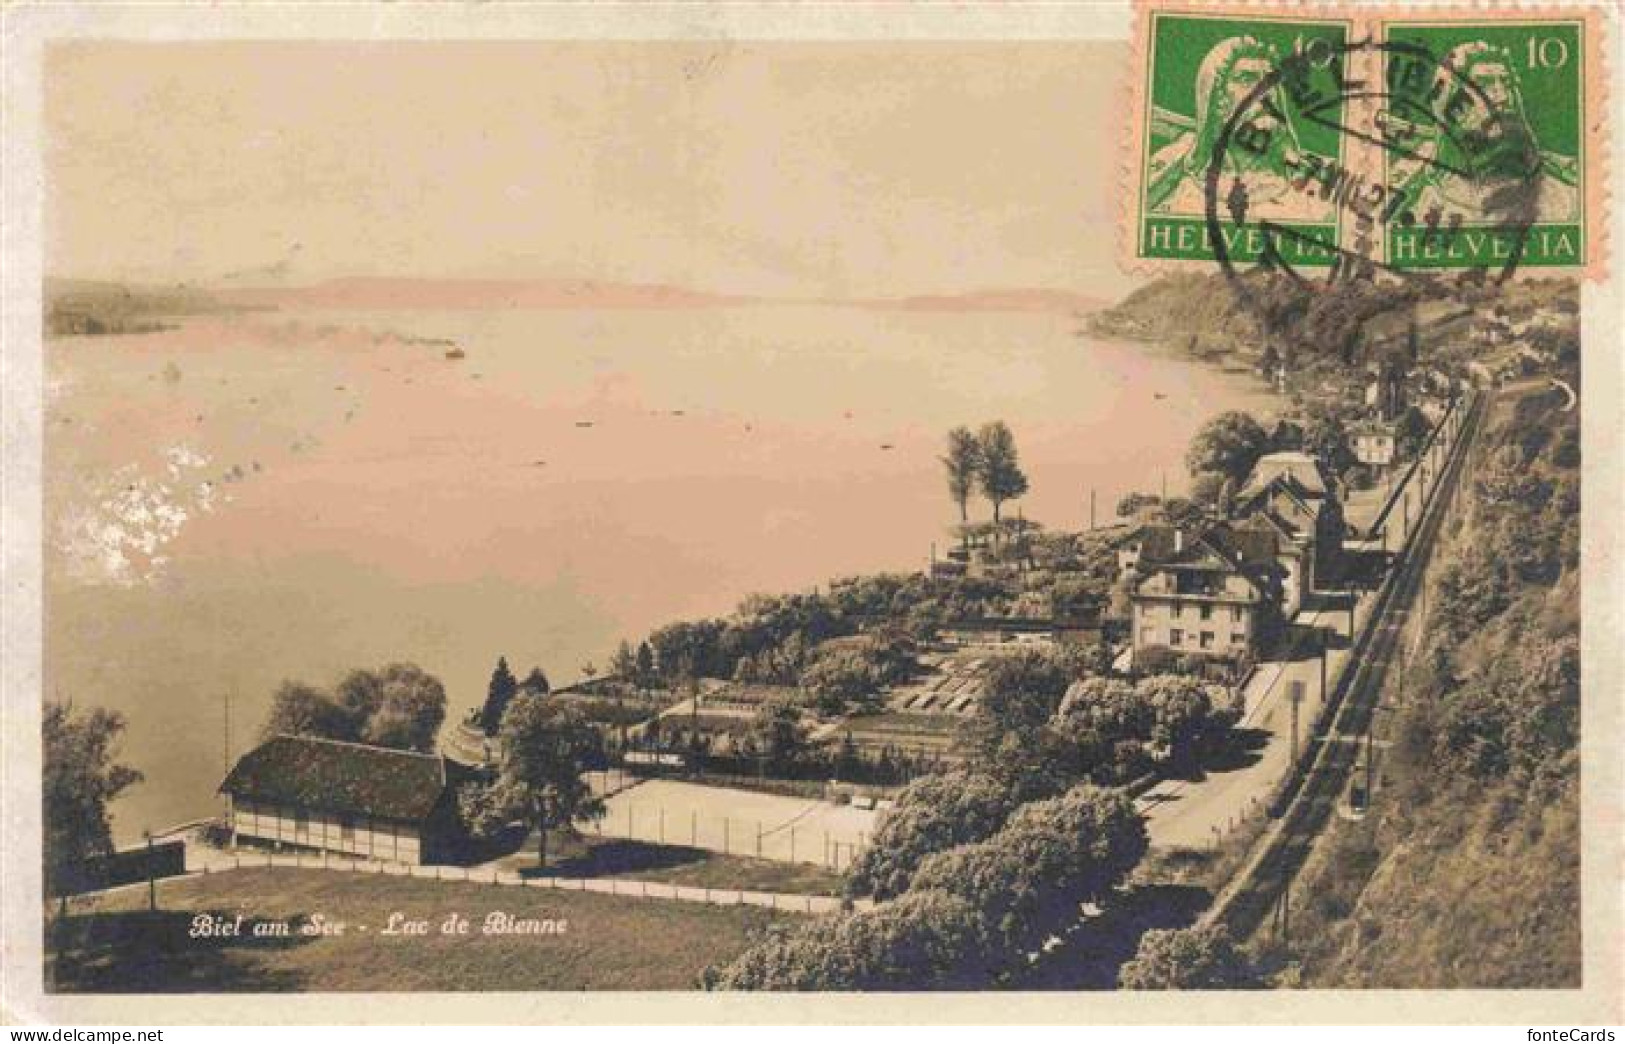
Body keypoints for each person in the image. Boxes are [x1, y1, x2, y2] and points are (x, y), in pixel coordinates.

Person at [1147, 35, 1333, 223]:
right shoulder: (1166, 178)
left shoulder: (1324, 187)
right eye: (1246, 79)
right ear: (1217, 100)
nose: (1266, 93)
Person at [1391, 40, 1579, 225]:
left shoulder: (1565, 194)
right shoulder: (1412, 197)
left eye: (1506, 83)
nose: (1503, 95)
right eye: (1485, 83)